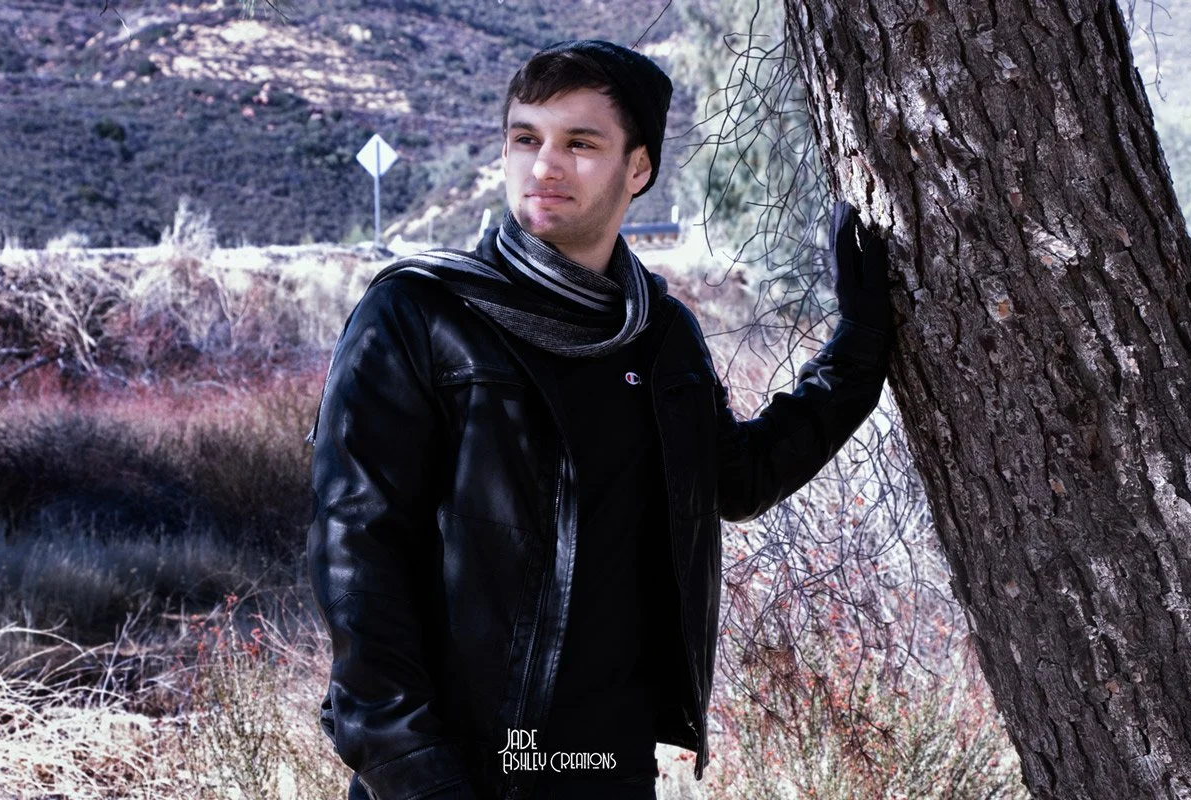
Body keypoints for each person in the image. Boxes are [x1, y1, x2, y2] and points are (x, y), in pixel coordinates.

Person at [307, 39, 893, 800]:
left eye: (580, 144)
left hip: (607, 765)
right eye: (526, 139)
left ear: (638, 169)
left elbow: (738, 478)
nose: (544, 166)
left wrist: (861, 345)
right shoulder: (420, 314)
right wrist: (412, 769)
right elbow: (356, 549)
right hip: (460, 769)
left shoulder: (660, 333)